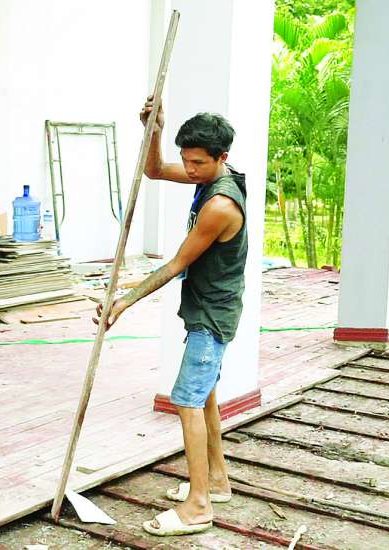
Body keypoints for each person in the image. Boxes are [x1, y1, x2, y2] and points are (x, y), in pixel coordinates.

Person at [95, 98, 246, 537]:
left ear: (222, 158)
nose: (190, 169)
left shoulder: (221, 205)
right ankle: (216, 481)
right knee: (205, 394)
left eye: (198, 163)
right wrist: (156, 129)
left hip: (213, 314)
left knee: (187, 400)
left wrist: (124, 300)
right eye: (187, 160)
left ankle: (198, 507)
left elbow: (177, 263)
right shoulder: (210, 176)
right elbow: (156, 170)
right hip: (206, 304)